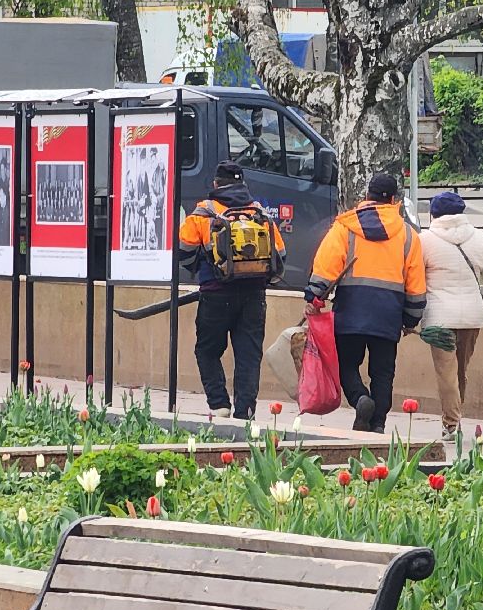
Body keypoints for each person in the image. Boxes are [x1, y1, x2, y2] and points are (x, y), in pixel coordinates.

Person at [306, 172, 426, 432]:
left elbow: (326, 265)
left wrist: (314, 295)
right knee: (383, 373)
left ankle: (360, 398)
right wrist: (411, 318)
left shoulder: (345, 227)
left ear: (366, 197)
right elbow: (415, 283)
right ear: (394, 200)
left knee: (346, 364)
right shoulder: (408, 235)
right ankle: (378, 424)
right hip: (388, 315)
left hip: (350, 310)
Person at [179, 160, 285, 420]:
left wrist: (206, 266)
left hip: (215, 293)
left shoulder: (204, 213)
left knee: (207, 350)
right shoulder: (260, 213)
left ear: (215, 184)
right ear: (242, 183)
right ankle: (245, 411)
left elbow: (184, 252)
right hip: (253, 296)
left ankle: (219, 404)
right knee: (248, 355)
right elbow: (280, 256)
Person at [419, 190, 483, 446]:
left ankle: (451, 424)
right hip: (472, 318)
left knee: (445, 373)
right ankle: (455, 417)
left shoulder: (424, 240)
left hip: (439, 318)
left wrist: (409, 316)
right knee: (460, 371)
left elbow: (414, 281)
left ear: (433, 214)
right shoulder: (479, 239)